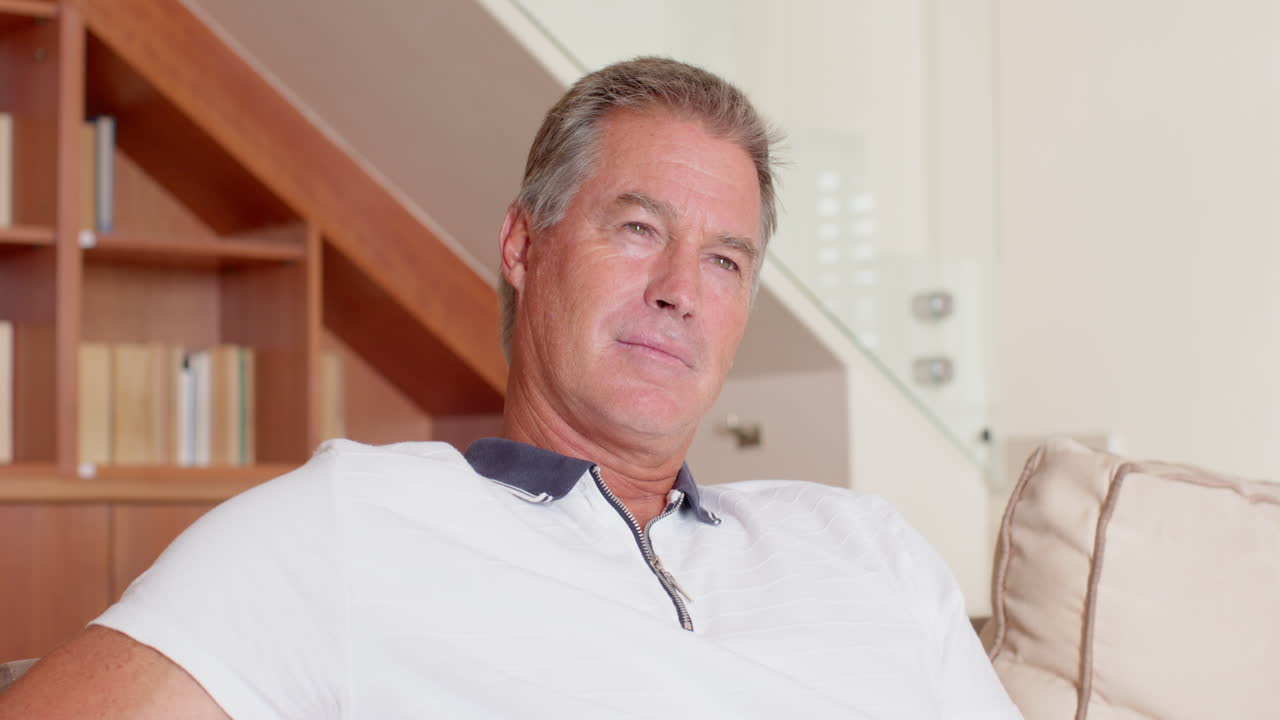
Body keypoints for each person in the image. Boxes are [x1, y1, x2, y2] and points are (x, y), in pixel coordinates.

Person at [0, 57, 1020, 719]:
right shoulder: (350, 525)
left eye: (723, 261)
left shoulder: (865, 546)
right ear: (523, 246)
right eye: (637, 229)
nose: (679, 293)